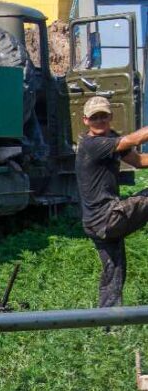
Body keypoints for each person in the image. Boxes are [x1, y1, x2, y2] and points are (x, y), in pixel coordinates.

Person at [76, 96, 148, 307]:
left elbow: (139, 161)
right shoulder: (92, 144)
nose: (100, 121)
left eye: (103, 116)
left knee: (114, 273)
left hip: (96, 223)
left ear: (111, 117)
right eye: (94, 117)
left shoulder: (110, 140)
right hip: (107, 218)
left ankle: (107, 326)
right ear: (85, 120)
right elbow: (134, 140)